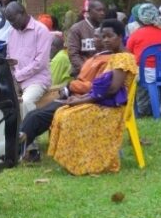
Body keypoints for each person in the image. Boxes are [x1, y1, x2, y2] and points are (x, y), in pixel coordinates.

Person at [48, 20, 138, 175]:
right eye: (103, 37)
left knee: (69, 116)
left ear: (121, 36)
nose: (106, 40)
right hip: (104, 102)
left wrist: (81, 100)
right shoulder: (115, 57)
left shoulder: (124, 58)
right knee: (61, 112)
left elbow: (112, 89)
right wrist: (79, 100)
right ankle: (78, 160)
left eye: (110, 36)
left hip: (112, 108)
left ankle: (84, 163)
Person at [3, 1, 53, 118]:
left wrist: (18, 76)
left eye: (13, 19)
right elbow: (9, 58)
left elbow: (39, 63)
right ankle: (10, 135)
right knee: (2, 103)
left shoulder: (41, 30)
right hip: (16, 81)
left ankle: (27, 134)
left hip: (36, 81)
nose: (12, 24)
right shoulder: (12, 33)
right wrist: (10, 75)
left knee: (26, 102)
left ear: (23, 12)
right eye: (9, 21)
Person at [125, 4, 161, 116]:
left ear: (140, 19)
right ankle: (156, 107)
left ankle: (140, 110)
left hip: (145, 74)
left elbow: (127, 54)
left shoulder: (136, 34)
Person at [66, 0, 105, 77]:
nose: (102, 13)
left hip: (103, 73)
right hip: (83, 73)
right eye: (98, 10)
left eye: (104, 10)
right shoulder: (77, 29)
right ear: (89, 11)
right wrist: (87, 70)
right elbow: (73, 54)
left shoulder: (106, 29)